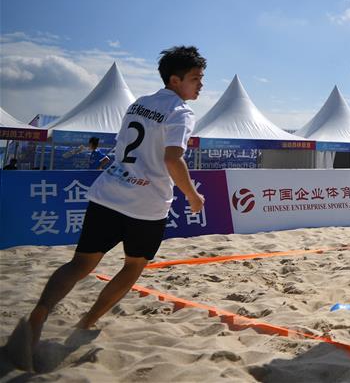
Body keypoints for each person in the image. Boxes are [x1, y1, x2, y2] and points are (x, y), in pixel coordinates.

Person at [7, 46, 207, 372]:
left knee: (80, 263)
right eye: (196, 79)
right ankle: (86, 322)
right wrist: (193, 196)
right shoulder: (181, 112)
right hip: (145, 205)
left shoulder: (139, 102)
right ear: (175, 80)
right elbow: (173, 158)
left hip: (107, 192)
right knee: (133, 267)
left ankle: (40, 312)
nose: (201, 86)